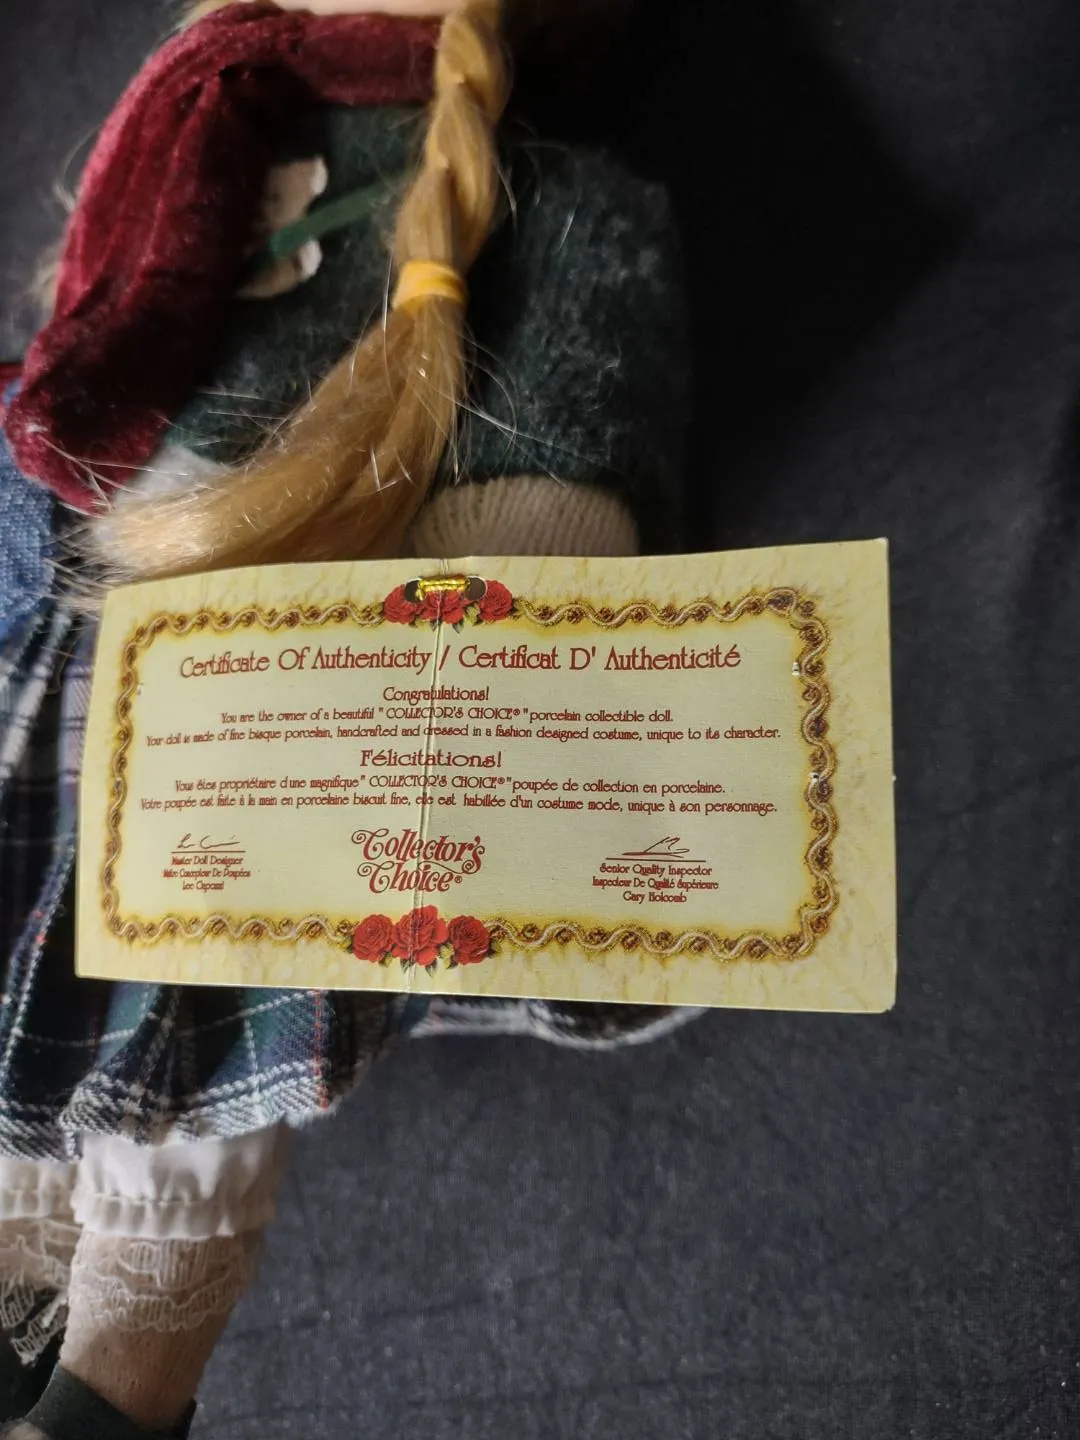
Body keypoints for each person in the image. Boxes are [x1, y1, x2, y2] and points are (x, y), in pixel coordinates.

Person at [0, 1, 693, 1433]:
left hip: (292, 688)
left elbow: (560, 463)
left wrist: (453, 654)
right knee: (32, 1009)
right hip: (85, 621)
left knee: (185, 1020)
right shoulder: (188, 149)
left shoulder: (552, 200)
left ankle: (122, 1384)